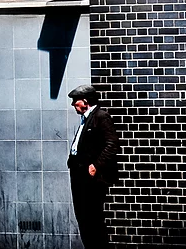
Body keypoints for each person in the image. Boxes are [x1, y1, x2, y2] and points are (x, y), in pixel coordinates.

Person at [67, 84, 120, 249]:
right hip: (79, 174)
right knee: (83, 217)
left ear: (85, 101)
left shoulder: (101, 117)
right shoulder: (86, 119)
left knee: (92, 218)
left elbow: (112, 144)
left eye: (76, 100)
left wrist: (95, 166)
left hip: (91, 178)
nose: (73, 104)